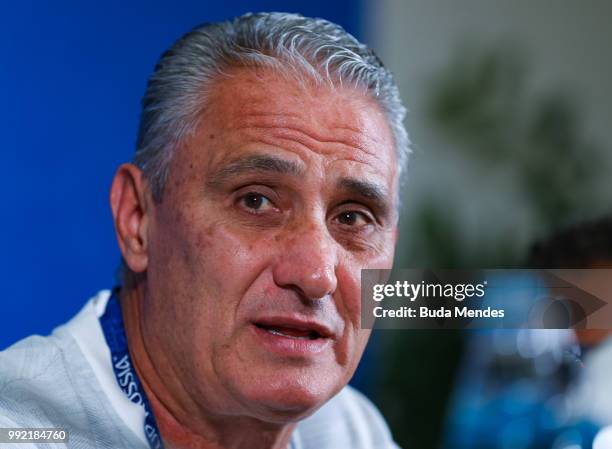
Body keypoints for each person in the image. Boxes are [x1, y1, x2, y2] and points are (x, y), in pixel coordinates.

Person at [0, 12, 409, 449]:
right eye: (256, 200)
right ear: (137, 219)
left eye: (352, 218)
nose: (316, 275)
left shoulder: (352, 432)